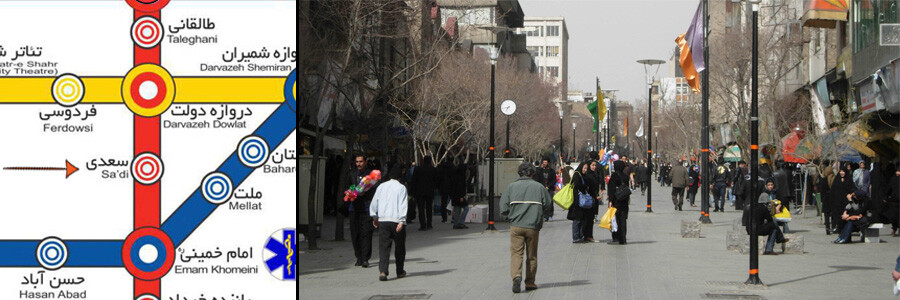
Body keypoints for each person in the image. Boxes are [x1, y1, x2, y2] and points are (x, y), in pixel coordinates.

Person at [500, 163, 554, 293]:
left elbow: (503, 207)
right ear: (532, 173)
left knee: (516, 253)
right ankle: (530, 282)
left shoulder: (511, 187)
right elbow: (548, 204)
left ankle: (516, 277)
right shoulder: (539, 187)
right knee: (532, 255)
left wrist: (509, 217)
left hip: (516, 226)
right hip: (532, 226)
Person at [369, 166, 408, 281]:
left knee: (384, 247)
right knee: (399, 247)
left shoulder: (381, 186)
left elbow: (374, 202)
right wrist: (402, 220)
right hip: (396, 221)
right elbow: (403, 205)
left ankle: (383, 271)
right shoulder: (401, 188)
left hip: (383, 220)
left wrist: (375, 216)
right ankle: (399, 271)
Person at [744, 178, 788, 255]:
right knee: (774, 225)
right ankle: (769, 248)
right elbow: (770, 219)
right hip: (757, 229)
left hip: (749, 229)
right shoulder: (763, 208)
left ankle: (780, 238)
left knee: (773, 224)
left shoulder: (751, 207)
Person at [346, 154, 375, 267]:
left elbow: (374, 190)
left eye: (361, 161)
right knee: (355, 233)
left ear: (365, 162)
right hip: (354, 208)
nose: (358, 164)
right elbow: (349, 186)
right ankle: (358, 256)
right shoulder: (352, 174)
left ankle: (365, 258)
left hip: (366, 208)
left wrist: (365, 193)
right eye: (357, 161)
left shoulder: (370, 175)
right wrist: (353, 192)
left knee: (366, 233)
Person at [567, 162, 596, 243]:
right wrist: (584, 187)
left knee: (582, 219)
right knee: (577, 219)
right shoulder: (577, 175)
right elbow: (577, 185)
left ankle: (580, 235)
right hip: (577, 201)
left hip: (581, 201)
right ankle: (576, 236)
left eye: (586, 168)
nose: (585, 170)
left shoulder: (584, 176)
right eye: (584, 168)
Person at [410, 156, 437, 231]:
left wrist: (412, 192)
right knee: (429, 208)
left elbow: (414, 181)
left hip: (420, 192)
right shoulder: (433, 169)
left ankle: (423, 225)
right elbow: (436, 180)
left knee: (421, 209)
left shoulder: (418, 169)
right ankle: (429, 224)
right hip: (429, 191)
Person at [829, 167, 857, 234]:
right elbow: (833, 190)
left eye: (843, 171)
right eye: (841, 171)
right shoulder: (837, 179)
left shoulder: (849, 179)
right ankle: (839, 229)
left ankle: (846, 229)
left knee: (845, 215)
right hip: (837, 201)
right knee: (838, 215)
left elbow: (852, 189)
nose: (842, 173)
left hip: (846, 202)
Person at [608, 160, 630, 245]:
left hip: (616, 200)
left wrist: (610, 200)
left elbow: (611, 189)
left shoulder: (614, 176)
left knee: (615, 219)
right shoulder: (625, 176)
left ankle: (616, 237)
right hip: (624, 200)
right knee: (623, 219)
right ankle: (623, 238)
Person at [450, 163, 470, 229]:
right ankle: (461, 222)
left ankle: (456, 224)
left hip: (455, 196)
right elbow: (460, 187)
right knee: (466, 208)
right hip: (459, 196)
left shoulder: (455, 176)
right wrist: (461, 196)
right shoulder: (461, 177)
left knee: (458, 210)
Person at [884, 167, 900, 237]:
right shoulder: (893, 179)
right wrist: (886, 197)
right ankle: (894, 228)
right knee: (893, 216)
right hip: (894, 200)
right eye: (897, 171)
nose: (898, 173)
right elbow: (889, 188)